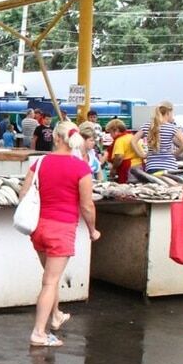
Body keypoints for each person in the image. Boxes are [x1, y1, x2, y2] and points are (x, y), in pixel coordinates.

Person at [19, 121, 101, 347]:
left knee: (49, 277)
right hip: (62, 229)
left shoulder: (40, 163)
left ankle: (55, 316)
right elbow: (87, 206)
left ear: (55, 138)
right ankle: (38, 333)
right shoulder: (81, 168)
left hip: (39, 229)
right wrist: (93, 230)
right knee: (50, 281)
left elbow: (24, 192)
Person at [132, 101, 183, 176]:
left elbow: (133, 141)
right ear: (168, 113)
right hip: (169, 166)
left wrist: (141, 155)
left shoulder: (147, 126)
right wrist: (175, 154)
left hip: (152, 166)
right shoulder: (172, 128)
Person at [105, 119, 140, 183]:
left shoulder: (120, 140)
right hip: (139, 166)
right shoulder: (131, 136)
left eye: (110, 132)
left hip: (129, 169)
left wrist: (114, 169)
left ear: (116, 130)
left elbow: (119, 157)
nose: (110, 135)